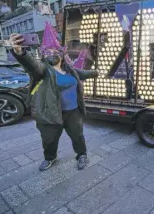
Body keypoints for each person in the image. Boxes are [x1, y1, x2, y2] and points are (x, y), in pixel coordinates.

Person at [9, 33, 98, 171]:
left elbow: (83, 73)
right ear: (43, 55)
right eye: (48, 51)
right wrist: (19, 51)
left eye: (55, 51)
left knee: (78, 136)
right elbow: (31, 65)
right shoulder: (43, 70)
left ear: (62, 54)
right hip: (50, 113)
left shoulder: (69, 69)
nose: (52, 53)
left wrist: (97, 72)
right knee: (49, 139)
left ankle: (82, 155)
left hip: (73, 112)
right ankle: (50, 157)